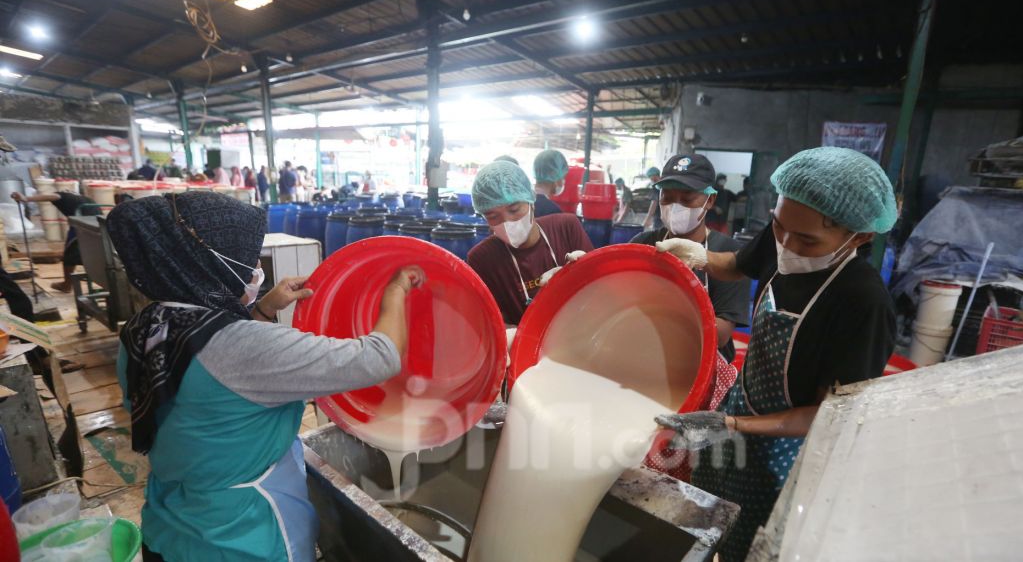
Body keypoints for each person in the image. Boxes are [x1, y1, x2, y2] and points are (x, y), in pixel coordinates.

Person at [107, 191, 425, 562]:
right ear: (210, 264)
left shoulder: (145, 328)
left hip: (171, 529)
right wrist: (397, 289)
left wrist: (260, 309)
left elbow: (212, 372)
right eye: (247, 258)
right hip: (242, 540)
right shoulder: (247, 349)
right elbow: (381, 357)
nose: (254, 266)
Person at [654, 147, 898, 562]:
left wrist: (733, 423)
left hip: (783, 450)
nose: (785, 244)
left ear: (860, 236)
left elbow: (827, 414)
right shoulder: (787, 229)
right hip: (741, 408)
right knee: (704, 518)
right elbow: (737, 264)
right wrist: (700, 257)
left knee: (749, 540)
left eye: (806, 239)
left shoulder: (862, 302)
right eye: (779, 226)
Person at [632, 155, 750, 363]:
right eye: (667, 198)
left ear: (710, 200)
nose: (675, 207)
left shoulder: (728, 254)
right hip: (647, 357)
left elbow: (720, 334)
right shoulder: (643, 243)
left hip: (701, 365)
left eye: (687, 200)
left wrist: (656, 314)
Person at [466, 161, 593, 326]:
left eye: (514, 210)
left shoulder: (566, 227)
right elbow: (490, 323)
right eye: (493, 216)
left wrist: (582, 275)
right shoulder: (482, 259)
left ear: (531, 201)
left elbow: (599, 293)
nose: (507, 222)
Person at [12, 190, 98, 293]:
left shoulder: (64, 196)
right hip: (97, 228)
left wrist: (26, 198)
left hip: (80, 228)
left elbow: (53, 196)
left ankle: (66, 285)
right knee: (93, 256)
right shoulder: (87, 199)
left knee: (69, 257)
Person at [531, 149, 568, 217]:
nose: (563, 181)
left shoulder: (522, 202)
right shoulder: (551, 211)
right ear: (554, 174)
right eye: (563, 177)